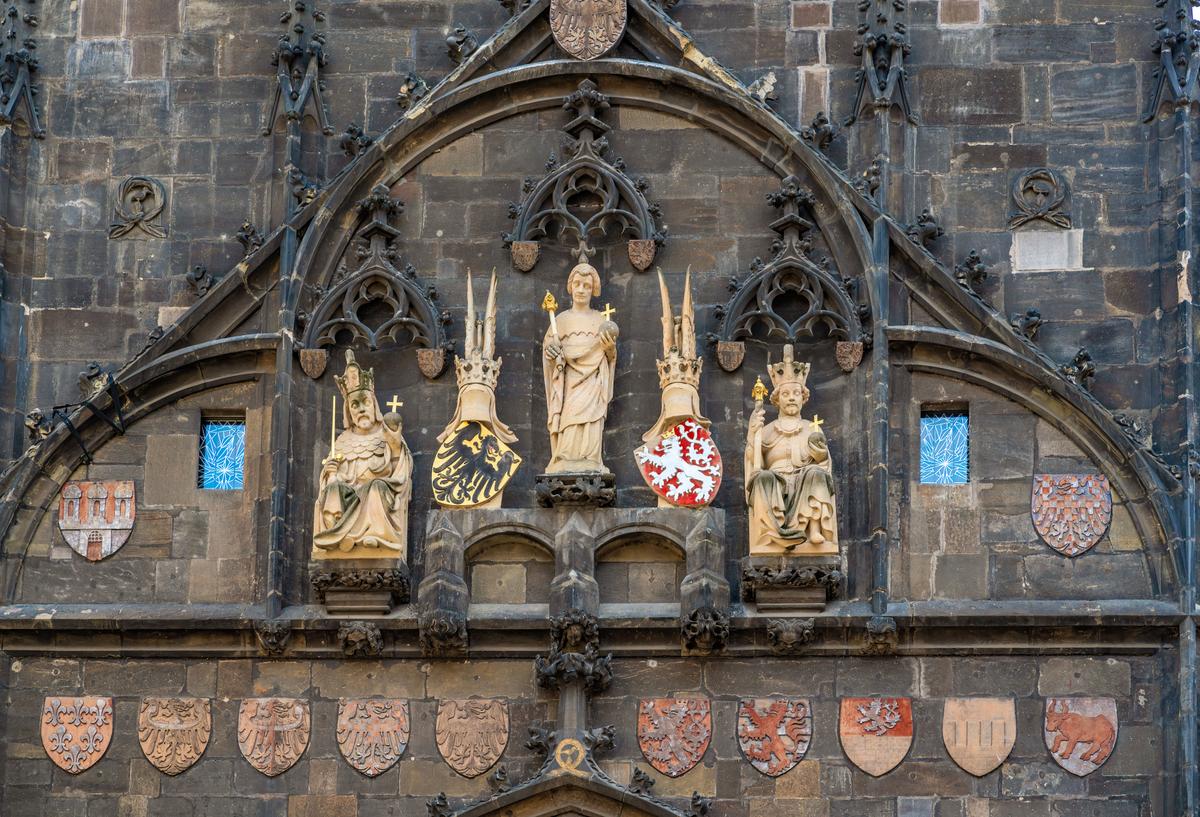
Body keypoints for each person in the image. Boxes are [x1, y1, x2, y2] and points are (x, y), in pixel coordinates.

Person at [313, 351, 412, 558]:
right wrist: (331, 474)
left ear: (373, 405)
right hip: (350, 494)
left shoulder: (386, 433)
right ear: (348, 411)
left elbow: (400, 472)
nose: (360, 410)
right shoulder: (342, 440)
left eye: (365, 402)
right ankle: (336, 534)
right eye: (354, 405)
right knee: (333, 489)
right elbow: (334, 477)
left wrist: (395, 447)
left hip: (377, 491)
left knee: (375, 487)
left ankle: (377, 535)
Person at [745, 345, 838, 554]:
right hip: (776, 480)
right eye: (785, 394)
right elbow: (755, 461)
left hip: (804, 478)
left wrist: (820, 455)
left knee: (816, 473)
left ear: (803, 398)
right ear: (777, 400)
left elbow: (824, 463)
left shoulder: (811, 427)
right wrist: (752, 434)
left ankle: (814, 528)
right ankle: (772, 530)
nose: (791, 397)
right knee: (762, 478)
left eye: (796, 393)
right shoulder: (766, 429)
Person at [543, 259, 618, 474]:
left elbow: (609, 358)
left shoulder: (601, 319)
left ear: (593, 289)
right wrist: (552, 354)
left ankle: (591, 458)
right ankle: (566, 456)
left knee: (592, 420)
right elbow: (549, 356)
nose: (581, 290)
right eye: (577, 284)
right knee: (569, 417)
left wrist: (610, 350)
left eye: (587, 285)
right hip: (569, 382)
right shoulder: (560, 320)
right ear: (571, 287)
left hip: (593, 381)